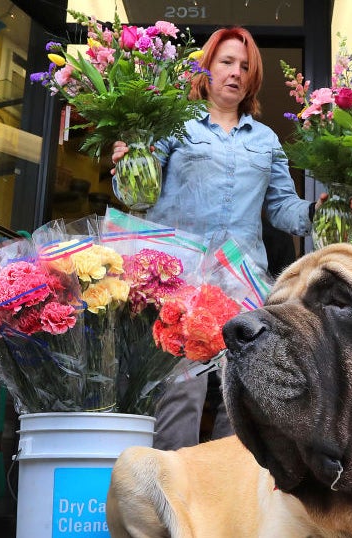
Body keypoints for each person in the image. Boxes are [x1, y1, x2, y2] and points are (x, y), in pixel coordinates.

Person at [111, 26, 318, 451]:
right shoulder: (175, 124)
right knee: (179, 395)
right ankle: (170, 501)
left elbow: (283, 210)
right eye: (226, 62)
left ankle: (225, 504)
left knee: (239, 395)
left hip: (241, 283)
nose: (235, 73)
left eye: (245, 67)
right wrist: (128, 163)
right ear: (207, 67)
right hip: (178, 280)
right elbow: (139, 193)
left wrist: (323, 211)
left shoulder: (266, 140)